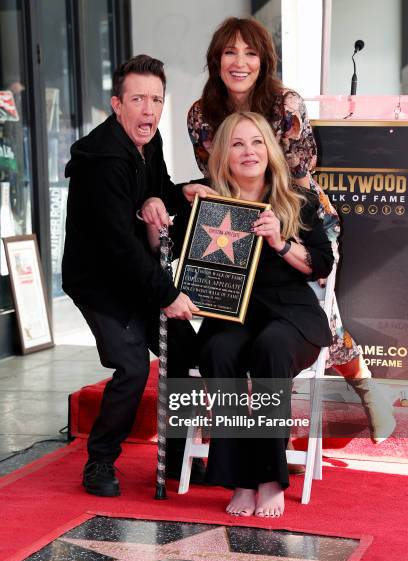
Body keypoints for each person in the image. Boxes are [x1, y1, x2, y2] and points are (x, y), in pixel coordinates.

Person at [186, 16, 395, 443]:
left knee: (318, 311)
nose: (240, 62)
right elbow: (218, 181)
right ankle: (241, 423)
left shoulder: (286, 105)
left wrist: (283, 235)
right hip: (240, 219)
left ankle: (366, 388)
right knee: (236, 312)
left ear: (264, 60)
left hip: (295, 212)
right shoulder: (201, 115)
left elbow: (298, 180)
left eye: (250, 53)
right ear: (216, 60)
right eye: (230, 52)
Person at [62, 55, 211, 497]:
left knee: (182, 347)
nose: (149, 110)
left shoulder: (150, 139)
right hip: (100, 279)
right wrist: (166, 295)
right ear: (116, 104)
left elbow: (155, 186)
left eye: (156, 100)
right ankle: (100, 463)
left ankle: (179, 460)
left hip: (134, 271)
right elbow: (119, 246)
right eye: (138, 99)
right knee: (130, 366)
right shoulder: (102, 160)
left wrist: (177, 193)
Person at [193, 111, 333, 517]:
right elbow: (178, 255)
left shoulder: (296, 200)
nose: (248, 151)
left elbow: (322, 263)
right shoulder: (210, 202)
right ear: (224, 154)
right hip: (234, 317)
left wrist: (281, 243)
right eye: (237, 143)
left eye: (256, 142)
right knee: (218, 350)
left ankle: (270, 477)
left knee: (271, 346)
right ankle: (240, 479)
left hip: (291, 318)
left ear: (269, 150)